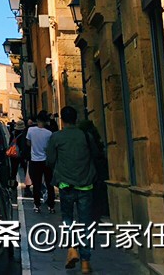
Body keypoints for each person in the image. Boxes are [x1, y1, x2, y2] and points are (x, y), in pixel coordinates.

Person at [46, 106, 99, 273]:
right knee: (85, 223)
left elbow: (50, 160)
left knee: (67, 219)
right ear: (76, 119)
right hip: (85, 184)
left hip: (65, 185)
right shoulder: (86, 135)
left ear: (62, 119)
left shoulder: (56, 137)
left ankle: (72, 248)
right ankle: (85, 262)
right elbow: (96, 154)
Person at [26, 112, 55, 213]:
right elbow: (50, 147)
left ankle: (37, 205)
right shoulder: (49, 133)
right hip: (46, 161)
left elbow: (28, 143)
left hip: (35, 160)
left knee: (36, 184)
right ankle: (51, 206)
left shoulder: (31, 130)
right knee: (49, 183)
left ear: (37, 120)